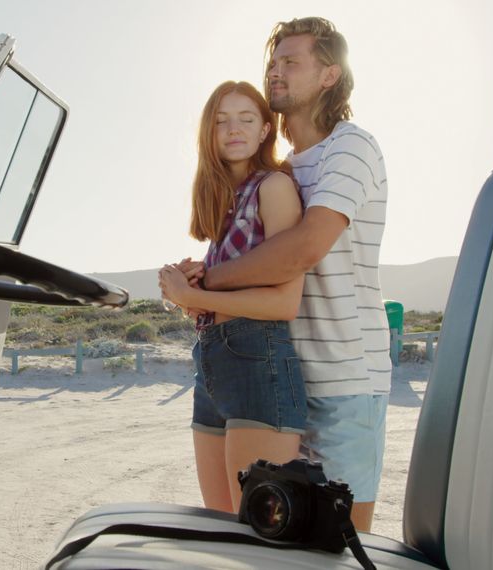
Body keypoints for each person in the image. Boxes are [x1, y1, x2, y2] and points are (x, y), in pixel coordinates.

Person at [173, 17, 390, 532]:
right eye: (273, 62)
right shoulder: (285, 168)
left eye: (291, 62)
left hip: (342, 380)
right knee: (265, 545)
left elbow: (303, 249)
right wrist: (203, 278)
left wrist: (208, 283)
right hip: (279, 372)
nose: (276, 71)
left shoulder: (350, 148)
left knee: (337, 543)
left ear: (329, 76)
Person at [157, 80, 306, 514]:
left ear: (265, 131)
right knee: (218, 527)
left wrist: (197, 296)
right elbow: (219, 299)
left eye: (246, 119)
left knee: (254, 539)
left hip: (260, 363)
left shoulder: (273, 187)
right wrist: (187, 290)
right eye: (221, 121)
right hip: (212, 362)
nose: (233, 129)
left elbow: (283, 304)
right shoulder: (225, 202)